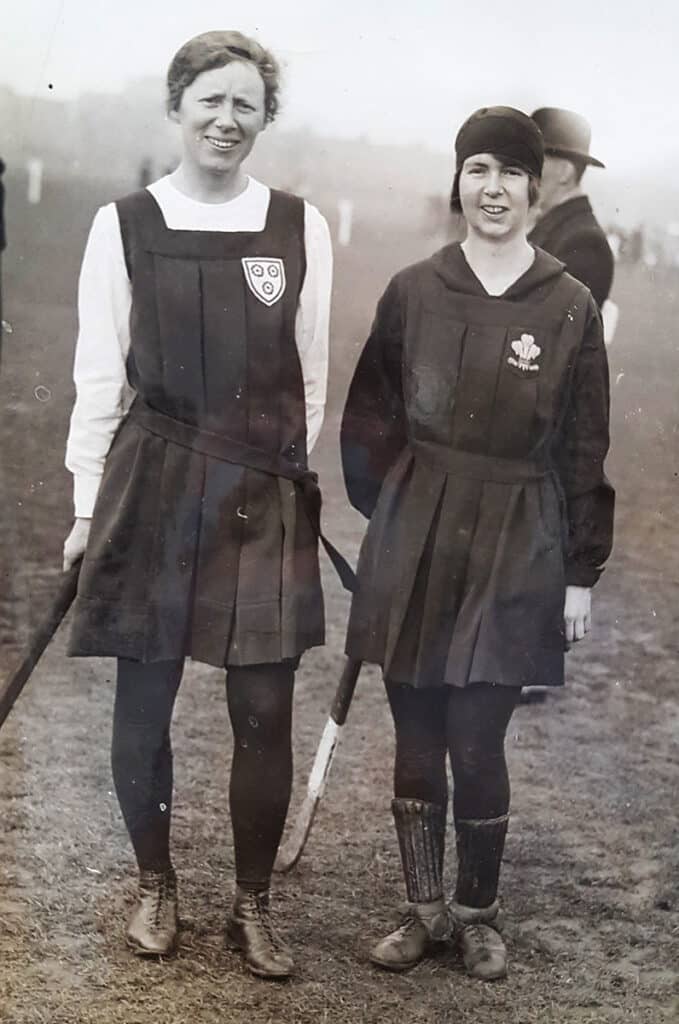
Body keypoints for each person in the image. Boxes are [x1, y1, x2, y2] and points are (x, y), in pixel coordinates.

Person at [62, 30, 332, 979]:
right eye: (209, 100)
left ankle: (250, 906)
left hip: (262, 493)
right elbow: (99, 379)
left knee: (265, 706)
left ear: (264, 119)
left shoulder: (299, 224)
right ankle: (155, 883)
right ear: (177, 106)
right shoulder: (123, 221)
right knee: (144, 700)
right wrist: (89, 510)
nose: (226, 120)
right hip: (155, 486)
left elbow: (313, 376)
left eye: (245, 105)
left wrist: (286, 477)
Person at [341, 107, 614, 981]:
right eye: (476, 171)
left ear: (538, 190)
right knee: (416, 738)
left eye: (509, 175)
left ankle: (477, 912)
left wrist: (578, 575)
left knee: (476, 739)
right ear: (457, 181)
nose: (491, 190)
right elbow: (367, 420)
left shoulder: (568, 304)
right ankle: (423, 913)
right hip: (416, 535)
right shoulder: (414, 288)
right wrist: (393, 514)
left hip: (516, 541)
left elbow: (582, 446)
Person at [528, 107, 613, 309]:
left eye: (535, 161)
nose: (525, 172)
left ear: (565, 172)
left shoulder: (584, 241)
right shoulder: (561, 228)